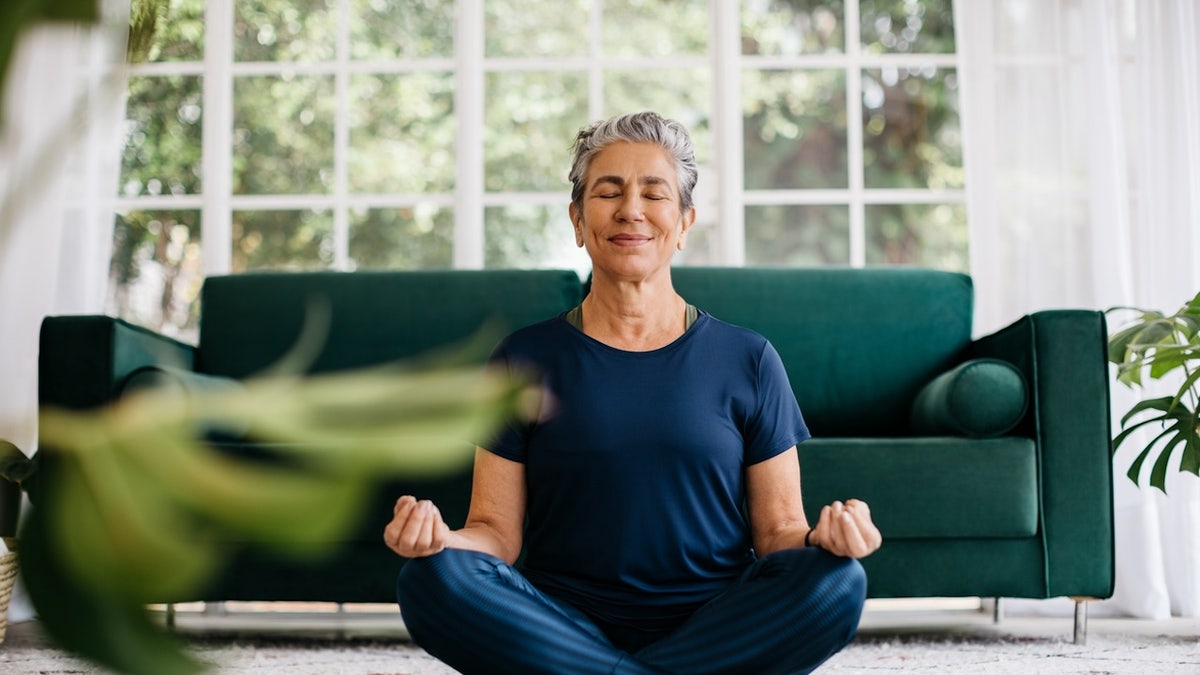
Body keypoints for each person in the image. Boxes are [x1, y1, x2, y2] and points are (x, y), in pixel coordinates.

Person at [384, 111, 882, 675]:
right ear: (577, 219)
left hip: (715, 621)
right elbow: (495, 535)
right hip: (561, 622)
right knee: (430, 578)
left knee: (840, 581)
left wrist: (829, 538)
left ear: (685, 221)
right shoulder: (521, 359)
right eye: (608, 192)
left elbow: (778, 534)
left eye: (654, 193)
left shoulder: (750, 358)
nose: (631, 210)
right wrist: (438, 539)